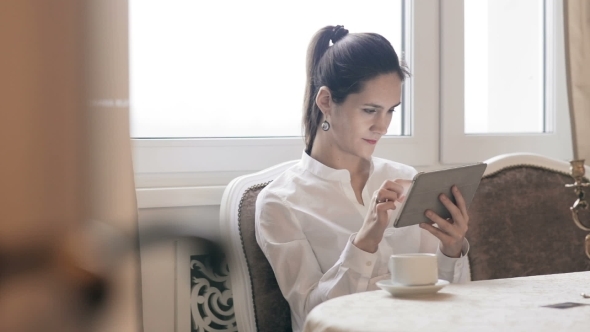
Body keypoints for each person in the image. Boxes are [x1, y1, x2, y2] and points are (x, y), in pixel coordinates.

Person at [255, 25, 470, 332]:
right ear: (326, 101)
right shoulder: (280, 203)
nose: (382, 126)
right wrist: (364, 242)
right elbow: (311, 316)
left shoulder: (406, 180)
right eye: (370, 110)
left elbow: (454, 304)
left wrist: (452, 250)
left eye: (391, 111)